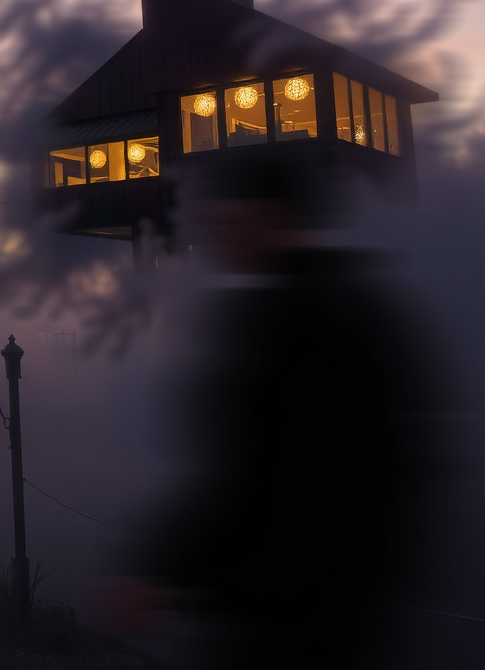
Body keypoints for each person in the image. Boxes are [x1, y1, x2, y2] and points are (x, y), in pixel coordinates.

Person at [122, 153, 451, 669]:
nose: (218, 232)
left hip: (295, 626)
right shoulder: (332, 313)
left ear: (273, 217)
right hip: (311, 618)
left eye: (232, 217)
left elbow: (259, 479)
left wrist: (166, 570)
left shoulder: (299, 328)